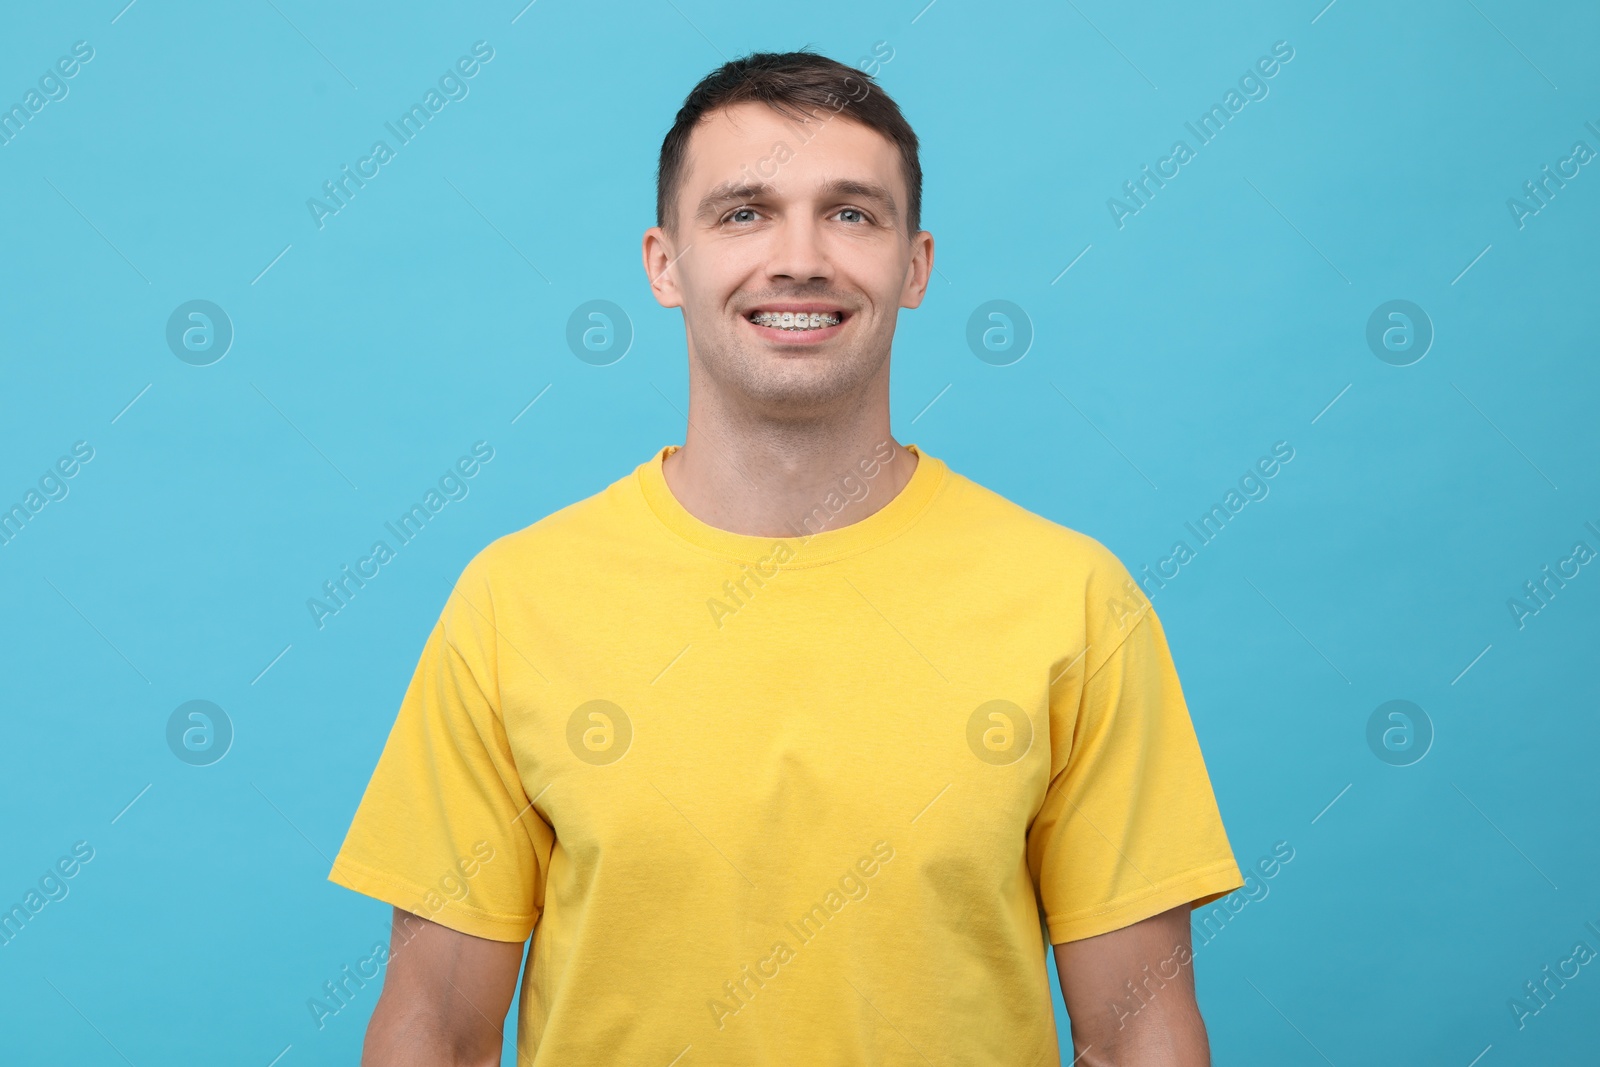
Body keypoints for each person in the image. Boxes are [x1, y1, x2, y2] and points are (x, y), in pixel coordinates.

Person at [328, 48, 1243, 1066]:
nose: (800, 257)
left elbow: (1136, 1033)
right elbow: (435, 1030)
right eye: (743, 212)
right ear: (664, 263)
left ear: (916, 263)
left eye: (851, 213)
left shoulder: (1074, 601)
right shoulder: (514, 600)